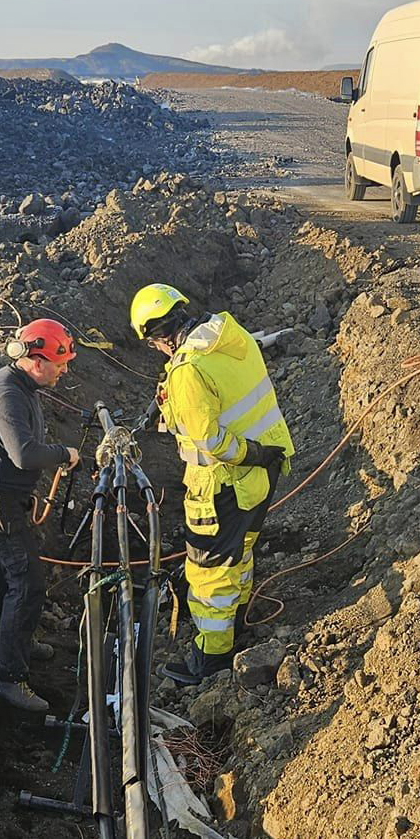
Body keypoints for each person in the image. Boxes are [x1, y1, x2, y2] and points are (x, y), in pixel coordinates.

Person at [129, 283, 294, 686]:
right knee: (241, 550)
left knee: (209, 570)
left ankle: (212, 657)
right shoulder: (227, 333)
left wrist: (248, 454)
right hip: (262, 472)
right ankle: (237, 620)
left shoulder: (188, 371)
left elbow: (212, 442)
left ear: (156, 337)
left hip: (224, 483)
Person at [0, 318, 81, 712]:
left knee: (9, 576)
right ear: (34, 360)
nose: (64, 370)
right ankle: (7, 678)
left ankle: (16, 642)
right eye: (58, 362)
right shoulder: (7, 395)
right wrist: (64, 454)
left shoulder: (23, 385)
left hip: (5, 497)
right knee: (28, 584)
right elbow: (25, 454)